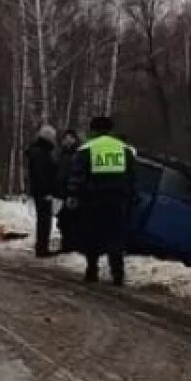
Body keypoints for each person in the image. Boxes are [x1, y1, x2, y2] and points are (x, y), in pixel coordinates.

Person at [66, 116, 136, 285]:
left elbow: (77, 175)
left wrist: (73, 195)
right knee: (116, 237)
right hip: (118, 199)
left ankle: (92, 270)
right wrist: (130, 196)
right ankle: (117, 274)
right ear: (111, 130)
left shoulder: (87, 149)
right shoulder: (124, 149)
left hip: (93, 199)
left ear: (94, 130)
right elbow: (132, 176)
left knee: (92, 234)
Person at [25, 124, 58, 257]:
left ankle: (42, 246)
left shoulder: (39, 151)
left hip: (40, 190)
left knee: (44, 219)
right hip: (43, 192)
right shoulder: (41, 153)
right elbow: (41, 174)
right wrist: (46, 191)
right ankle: (42, 248)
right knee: (44, 220)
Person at [54, 129, 81, 253]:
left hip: (72, 192)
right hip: (61, 192)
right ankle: (66, 245)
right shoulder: (61, 154)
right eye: (65, 138)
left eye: (70, 138)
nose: (67, 140)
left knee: (70, 220)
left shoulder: (78, 154)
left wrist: (74, 190)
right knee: (62, 220)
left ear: (75, 140)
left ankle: (70, 246)